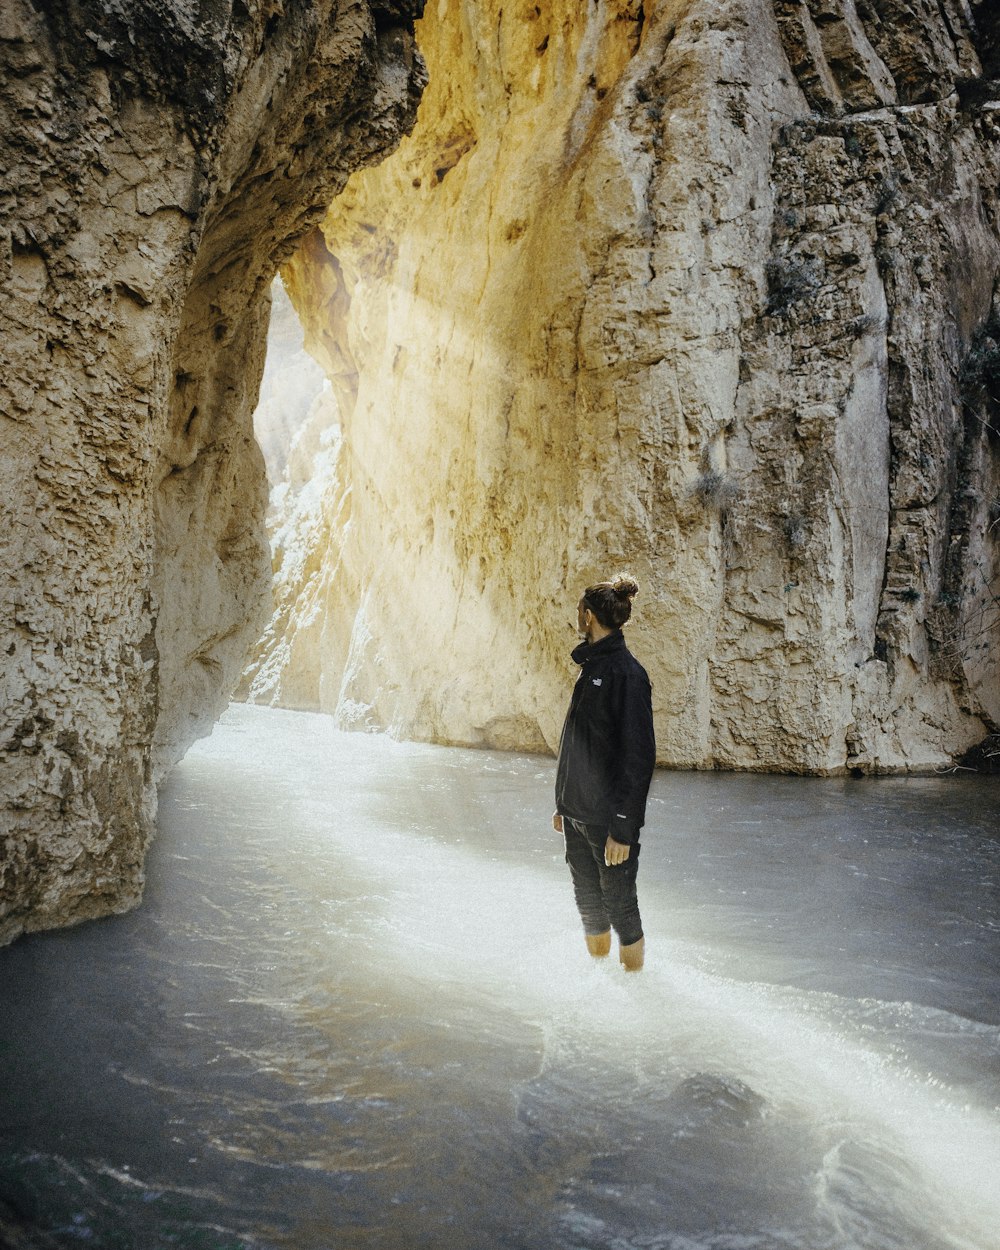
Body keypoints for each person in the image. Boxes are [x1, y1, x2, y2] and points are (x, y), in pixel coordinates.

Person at [552, 575, 656, 971]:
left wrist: (623, 829)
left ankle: (636, 988)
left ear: (589, 616)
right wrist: (563, 805)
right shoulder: (591, 666)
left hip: (608, 822)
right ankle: (599, 980)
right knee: (588, 905)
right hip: (578, 815)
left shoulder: (627, 675)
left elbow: (638, 757)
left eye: (579, 609)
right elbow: (578, 743)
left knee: (621, 909)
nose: (576, 615)